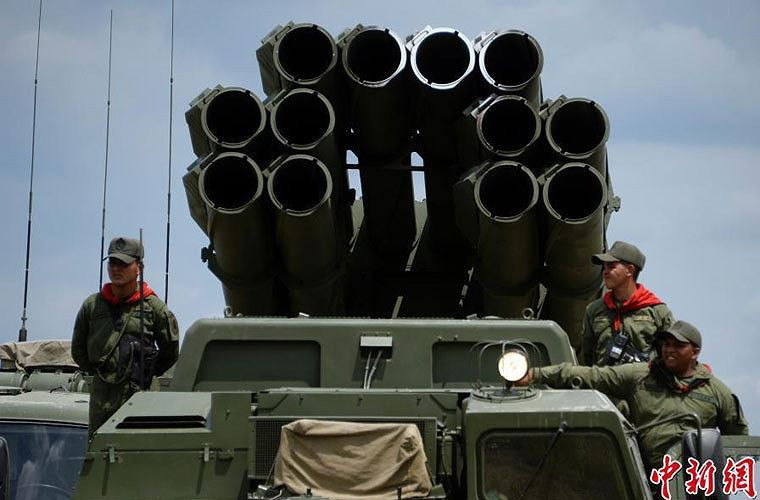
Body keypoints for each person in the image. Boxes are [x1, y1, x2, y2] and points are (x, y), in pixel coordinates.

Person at [517, 320, 748, 471]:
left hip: (691, 488)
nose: (669, 350)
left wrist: (716, 481)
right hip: (645, 479)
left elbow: (738, 443)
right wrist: (535, 374)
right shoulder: (641, 376)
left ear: (695, 352)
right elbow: (590, 375)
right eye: (666, 344)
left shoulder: (716, 392)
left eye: (678, 345)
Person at [72, 236, 179, 440]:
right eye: (112, 262)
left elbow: (170, 351)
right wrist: (103, 373)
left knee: (139, 451)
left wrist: (145, 371)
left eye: (123, 263)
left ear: (139, 267)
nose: (116, 268)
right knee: (100, 450)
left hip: (141, 397)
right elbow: (78, 351)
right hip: (103, 398)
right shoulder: (92, 306)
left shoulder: (154, 308)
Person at [581, 240, 674, 366]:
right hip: (604, 378)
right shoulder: (594, 310)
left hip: (643, 378)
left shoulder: (657, 312)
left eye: (611, 266)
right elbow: (586, 358)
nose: (605, 271)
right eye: (604, 267)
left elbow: (675, 354)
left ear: (629, 270)